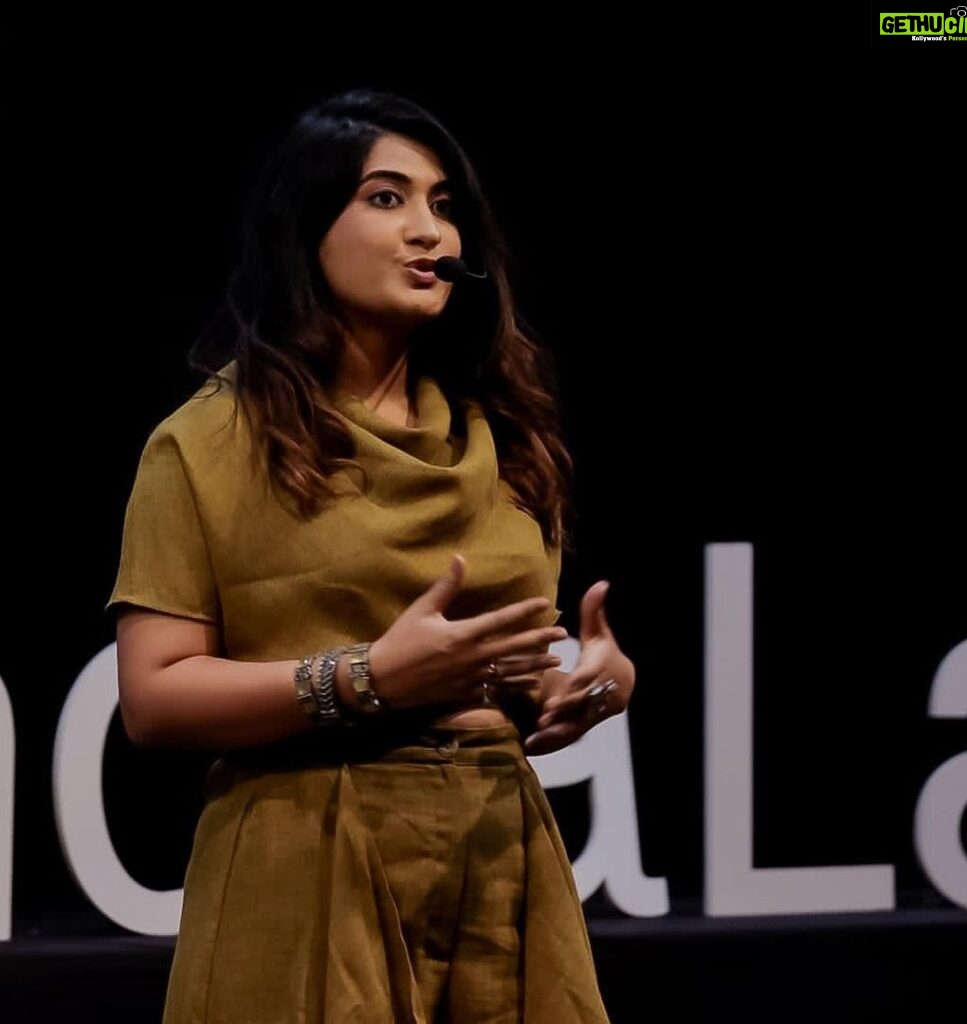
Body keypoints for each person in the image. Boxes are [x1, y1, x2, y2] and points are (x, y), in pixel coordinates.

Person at [108, 86, 635, 1023]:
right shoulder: (209, 443)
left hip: (498, 853)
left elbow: (506, 656)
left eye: (443, 205)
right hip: (309, 849)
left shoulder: (502, 432)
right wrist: (369, 678)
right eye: (386, 198)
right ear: (304, 229)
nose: (430, 231)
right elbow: (154, 700)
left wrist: (586, 679)